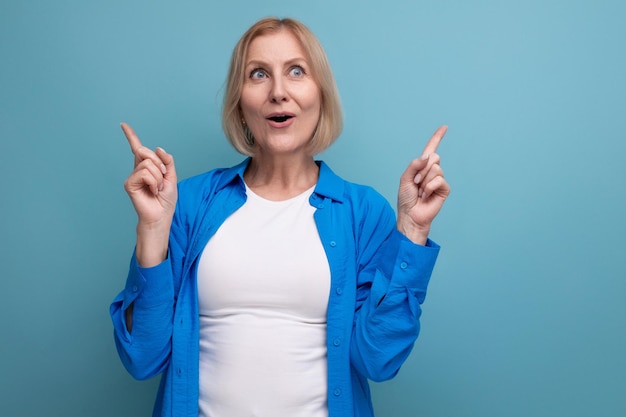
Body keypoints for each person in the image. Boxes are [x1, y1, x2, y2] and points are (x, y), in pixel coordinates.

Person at [110, 17, 450, 417]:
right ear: (240, 104)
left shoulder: (362, 212)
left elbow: (378, 359)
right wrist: (152, 227)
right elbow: (143, 358)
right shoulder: (188, 204)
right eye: (258, 74)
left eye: (296, 71)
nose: (278, 92)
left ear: (320, 95)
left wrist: (412, 229)